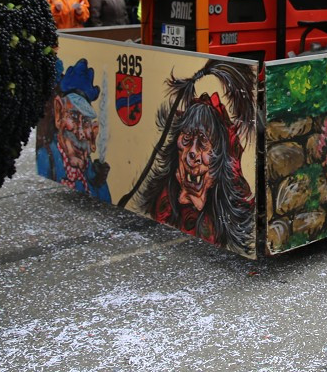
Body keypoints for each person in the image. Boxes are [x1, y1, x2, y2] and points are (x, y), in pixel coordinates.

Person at [135, 62, 257, 255]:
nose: (192, 152)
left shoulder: (228, 219)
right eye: (187, 139)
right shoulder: (162, 201)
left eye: (203, 143)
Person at [36, 59, 110, 202]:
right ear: (58, 113)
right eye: (74, 117)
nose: (81, 133)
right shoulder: (46, 159)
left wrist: (99, 183)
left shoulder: (92, 172)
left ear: (93, 131)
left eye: (86, 122)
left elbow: (107, 204)